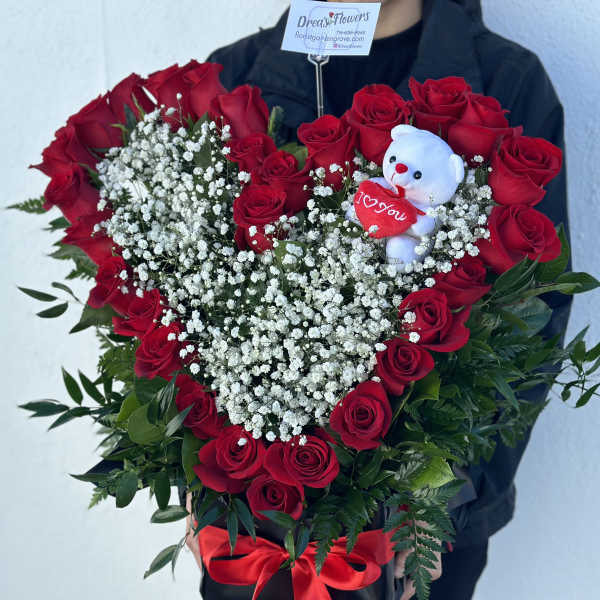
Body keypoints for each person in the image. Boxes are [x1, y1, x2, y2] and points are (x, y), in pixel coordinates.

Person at [186, 1, 572, 598]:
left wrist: (443, 505)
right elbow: (179, 311)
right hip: (253, 529)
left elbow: (532, 323)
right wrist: (197, 479)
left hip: (417, 543)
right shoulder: (234, 74)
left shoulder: (506, 79)